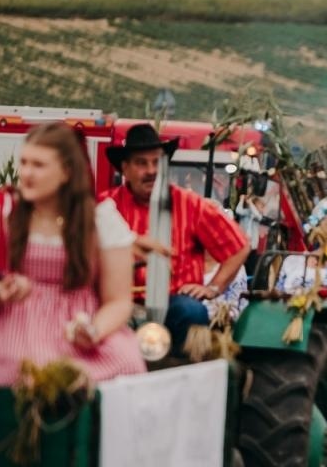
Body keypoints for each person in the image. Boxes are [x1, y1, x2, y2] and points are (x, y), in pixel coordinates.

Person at [0, 123, 144, 385]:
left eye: (39, 165)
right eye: (24, 163)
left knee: (127, 361)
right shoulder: (1, 210)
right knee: (23, 370)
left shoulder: (100, 218)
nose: (26, 174)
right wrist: (0, 291)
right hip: (12, 326)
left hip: (77, 329)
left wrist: (94, 330)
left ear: (66, 172)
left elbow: (119, 301)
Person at [102, 123, 250, 351]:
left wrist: (213, 288)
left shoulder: (191, 204)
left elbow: (239, 246)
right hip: (119, 301)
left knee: (191, 310)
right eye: (142, 163)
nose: (151, 170)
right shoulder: (105, 206)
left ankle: (181, 373)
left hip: (174, 304)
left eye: (157, 162)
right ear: (125, 168)